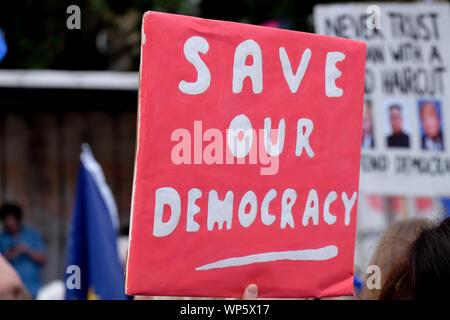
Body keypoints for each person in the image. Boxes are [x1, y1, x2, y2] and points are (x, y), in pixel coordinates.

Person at [0, 203, 47, 298]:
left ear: (18, 219)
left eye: (11, 219)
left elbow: (43, 258)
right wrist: (9, 255)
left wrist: (26, 251)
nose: (9, 223)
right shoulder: (2, 239)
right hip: (11, 292)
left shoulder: (32, 235)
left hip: (34, 288)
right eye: (6, 220)